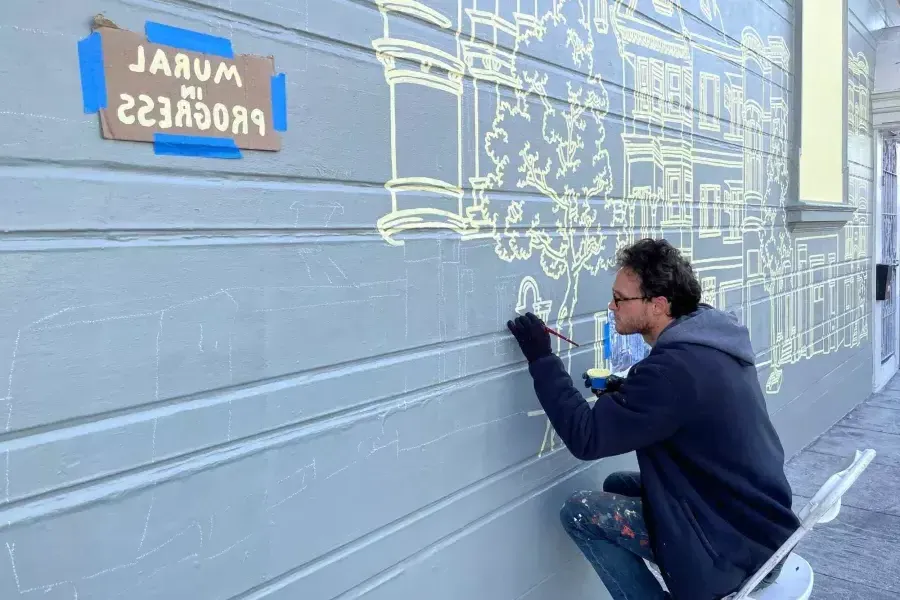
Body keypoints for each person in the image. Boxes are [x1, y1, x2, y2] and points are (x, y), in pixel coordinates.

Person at [506, 238, 800, 600]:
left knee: (579, 512)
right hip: (760, 525)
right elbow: (679, 407)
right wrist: (621, 390)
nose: (611, 306)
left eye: (620, 299)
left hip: (734, 548)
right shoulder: (710, 343)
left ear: (658, 305)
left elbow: (586, 437)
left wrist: (541, 358)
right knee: (617, 482)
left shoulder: (672, 370)